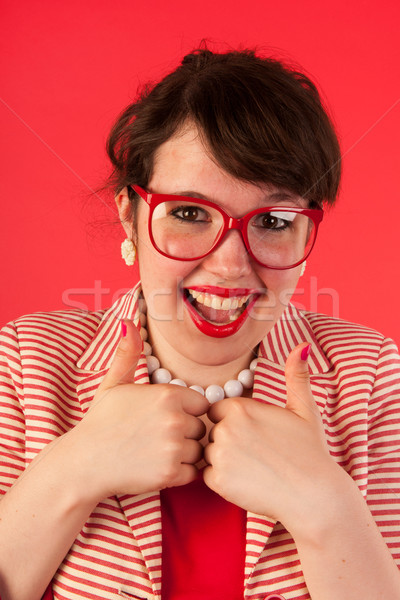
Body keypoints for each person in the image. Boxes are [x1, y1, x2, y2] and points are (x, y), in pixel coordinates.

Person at [0, 47, 399, 600]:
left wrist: (325, 507)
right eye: (189, 213)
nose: (231, 262)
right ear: (129, 216)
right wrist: (73, 471)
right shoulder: (24, 363)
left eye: (275, 220)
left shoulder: (374, 376)